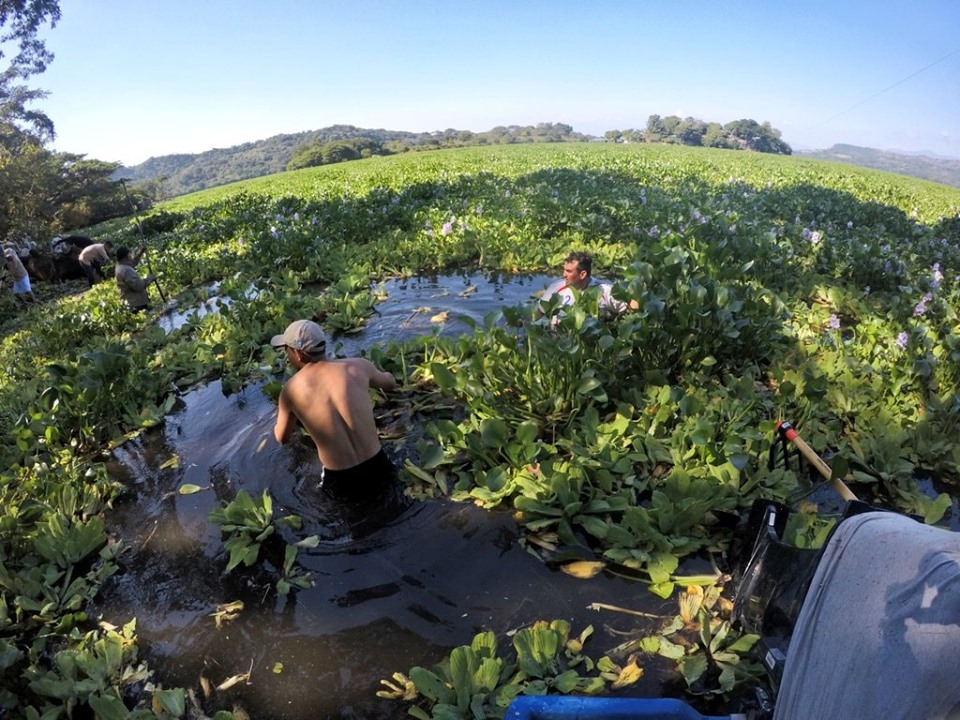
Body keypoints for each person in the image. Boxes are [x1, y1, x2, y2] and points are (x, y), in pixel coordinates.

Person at [271, 319, 399, 501]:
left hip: (340, 479)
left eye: (287, 350)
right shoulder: (358, 366)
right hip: (380, 465)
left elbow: (282, 438)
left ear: (297, 354)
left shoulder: (290, 390)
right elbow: (390, 384)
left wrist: (284, 413)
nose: (287, 355)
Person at [538, 251, 634, 319]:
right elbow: (539, 312)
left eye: (568, 271)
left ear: (582, 274)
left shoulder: (603, 291)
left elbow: (632, 307)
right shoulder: (556, 287)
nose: (563, 275)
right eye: (564, 270)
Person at [114, 246, 156, 311]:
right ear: (126, 257)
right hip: (136, 304)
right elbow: (138, 286)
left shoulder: (121, 265)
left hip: (133, 302)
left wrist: (141, 253)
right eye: (129, 255)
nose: (130, 256)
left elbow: (132, 263)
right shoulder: (126, 270)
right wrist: (149, 279)